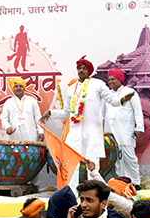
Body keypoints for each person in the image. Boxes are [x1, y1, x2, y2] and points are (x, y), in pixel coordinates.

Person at [42, 56, 122, 193]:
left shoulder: (98, 84)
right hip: (74, 132)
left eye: (84, 68)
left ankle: (93, 194)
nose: (81, 70)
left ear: (89, 71)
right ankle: (72, 193)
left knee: (92, 164)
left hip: (92, 133)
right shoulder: (72, 89)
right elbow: (67, 112)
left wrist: (123, 101)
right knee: (71, 163)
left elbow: (111, 99)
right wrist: (52, 113)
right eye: (79, 68)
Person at [103, 66, 144, 187]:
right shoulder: (107, 94)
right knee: (116, 161)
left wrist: (139, 128)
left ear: (120, 80)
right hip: (110, 132)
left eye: (113, 79)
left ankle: (135, 183)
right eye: (109, 79)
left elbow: (138, 110)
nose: (110, 82)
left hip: (126, 131)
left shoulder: (130, 92)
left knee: (129, 158)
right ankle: (121, 184)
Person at [1, 77, 45, 142]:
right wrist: (7, 127)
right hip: (15, 136)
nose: (18, 88)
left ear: (24, 88)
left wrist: (41, 132)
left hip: (30, 136)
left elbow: (38, 118)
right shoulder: (8, 102)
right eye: (16, 86)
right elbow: (4, 118)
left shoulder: (32, 100)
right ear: (13, 88)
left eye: (21, 86)